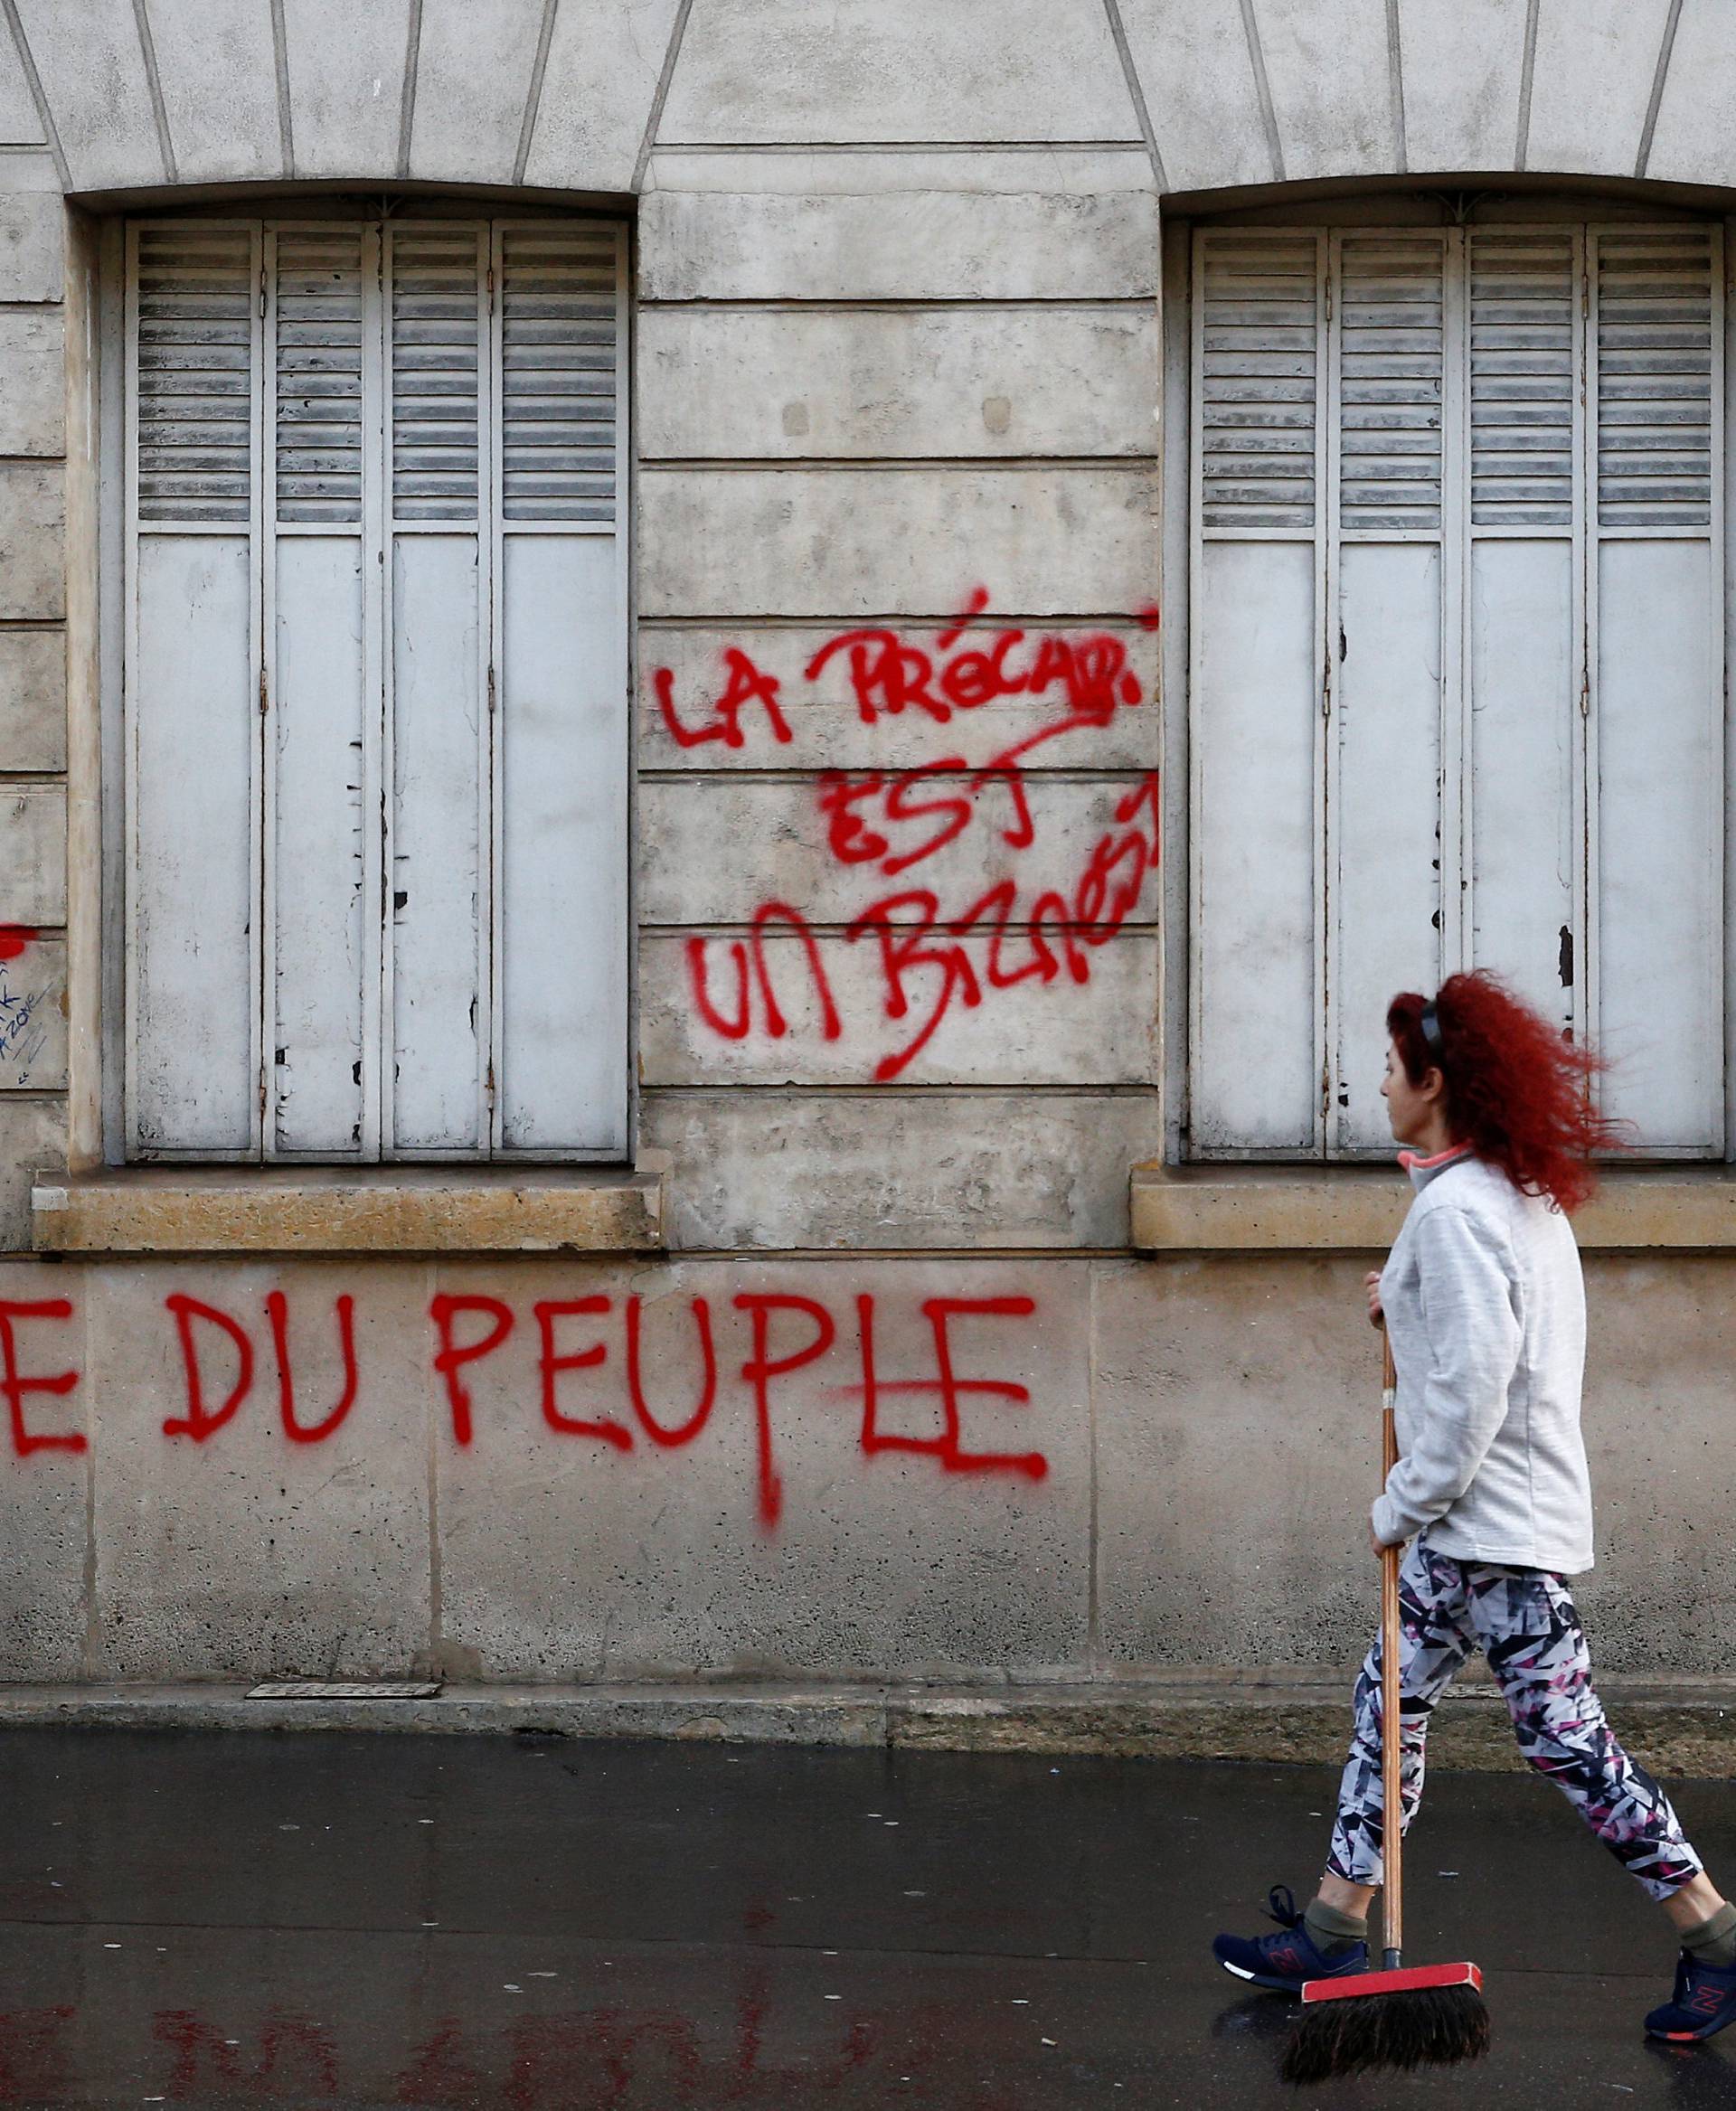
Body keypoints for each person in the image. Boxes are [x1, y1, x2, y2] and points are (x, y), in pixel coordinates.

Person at [1211, 971, 1736, 2043]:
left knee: (1566, 1742)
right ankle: (1333, 1921)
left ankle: (1714, 1936)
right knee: (1387, 1708)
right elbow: (1487, 1331)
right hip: (1477, 1534)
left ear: (1435, 1081)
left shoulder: (1456, 1212)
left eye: (1394, 1069)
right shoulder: (1505, 1191)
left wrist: (1398, 1504)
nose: (1379, 1084)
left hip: (1488, 1533)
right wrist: (1401, 1300)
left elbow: (1469, 1404)